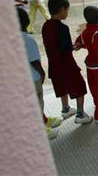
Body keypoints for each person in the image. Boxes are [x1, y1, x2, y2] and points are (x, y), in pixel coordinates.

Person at [42, 0, 92, 124]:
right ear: (62, 9)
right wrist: (74, 46)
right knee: (80, 86)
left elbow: (53, 45)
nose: (67, 13)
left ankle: (65, 109)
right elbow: (65, 49)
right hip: (66, 64)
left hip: (53, 65)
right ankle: (80, 115)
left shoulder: (45, 26)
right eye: (67, 10)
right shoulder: (63, 28)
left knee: (61, 87)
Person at [17, 7, 62, 139]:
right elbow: (34, 61)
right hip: (32, 77)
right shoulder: (27, 40)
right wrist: (42, 73)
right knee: (37, 101)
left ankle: (43, 120)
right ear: (26, 22)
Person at [74, 6, 98, 124]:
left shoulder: (85, 31)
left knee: (95, 90)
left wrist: (83, 46)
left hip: (90, 66)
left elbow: (77, 43)